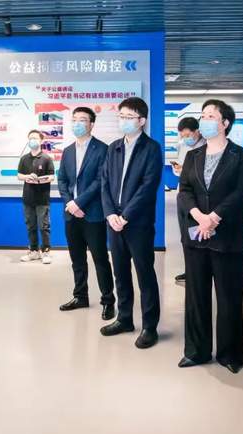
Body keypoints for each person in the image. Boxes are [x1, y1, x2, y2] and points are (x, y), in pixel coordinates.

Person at [177, 100, 243, 374]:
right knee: (196, 296)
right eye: (203, 116)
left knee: (229, 297)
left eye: (211, 116)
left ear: (225, 123)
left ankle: (230, 354)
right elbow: (185, 190)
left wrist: (214, 218)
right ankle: (196, 351)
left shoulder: (241, 156)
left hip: (228, 236)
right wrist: (199, 216)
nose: (204, 120)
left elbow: (240, 193)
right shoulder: (193, 156)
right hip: (196, 235)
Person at [100, 97, 163, 349]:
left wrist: (126, 216)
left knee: (145, 274)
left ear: (142, 120)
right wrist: (109, 214)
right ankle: (124, 318)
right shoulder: (113, 147)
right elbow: (104, 182)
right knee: (120, 272)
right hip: (113, 222)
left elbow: (148, 187)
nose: (123, 121)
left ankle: (150, 327)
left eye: (129, 117)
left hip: (137, 223)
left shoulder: (151, 148)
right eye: (121, 116)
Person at [57, 107, 115, 320]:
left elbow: (100, 181)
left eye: (82, 120)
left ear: (91, 124)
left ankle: (108, 301)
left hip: (93, 214)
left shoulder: (103, 149)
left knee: (100, 259)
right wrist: (70, 203)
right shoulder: (67, 151)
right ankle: (80, 296)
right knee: (77, 259)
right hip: (71, 214)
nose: (77, 124)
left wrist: (79, 202)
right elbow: (62, 179)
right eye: (74, 120)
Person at [173, 117, 206, 284]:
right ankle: (190, 270)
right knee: (185, 236)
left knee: (197, 235)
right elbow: (180, 169)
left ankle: (200, 272)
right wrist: (178, 169)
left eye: (188, 135)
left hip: (198, 199)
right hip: (183, 196)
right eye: (182, 135)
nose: (185, 138)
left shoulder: (206, 147)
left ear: (197, 131)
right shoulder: (183, 146)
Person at [17, 130, 55, 264]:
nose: (32, 140)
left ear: (41, 140)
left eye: (35, 138)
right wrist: (27, 177)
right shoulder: (24, 158)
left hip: (42, 199)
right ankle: (34, 251)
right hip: (28, 199)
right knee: (30, 226)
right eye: (30, 138)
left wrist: (39, 179)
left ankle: (46, 252)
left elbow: (51, 176)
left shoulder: (46, 158)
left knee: (44, 226)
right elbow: (19, 175)